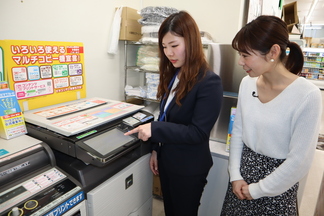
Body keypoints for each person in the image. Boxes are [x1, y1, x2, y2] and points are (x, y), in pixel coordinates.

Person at [221, 15, 322, 215]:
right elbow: (238, 132)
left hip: (277, 186)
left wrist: (257, 189)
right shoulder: (247, 83)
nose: (240, 62)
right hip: (240, 179)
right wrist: (235, 175)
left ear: (273, 52)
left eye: (246, 55)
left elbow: (299, 161)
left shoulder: (307, 95)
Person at [125, 11, 223, 216]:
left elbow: (197, 132)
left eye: (174, 46)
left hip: (189, 168)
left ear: (192, 42)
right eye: (164, 47)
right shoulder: (175, 74)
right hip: (168, 160)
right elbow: (166, 115)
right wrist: (156, 150)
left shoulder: (209, 82)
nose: (169, 53)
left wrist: (154, 129)